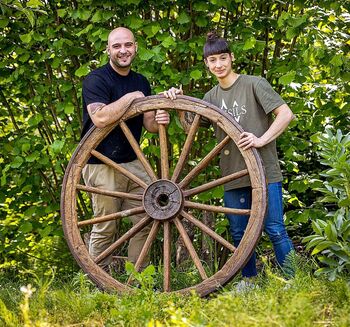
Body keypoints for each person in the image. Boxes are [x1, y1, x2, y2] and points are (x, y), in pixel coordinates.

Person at [164, 32, 294, 280]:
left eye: (223, 58)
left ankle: (294, 280)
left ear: (231, 57)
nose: (219, 65)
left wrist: (261, 140)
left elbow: (285, 114)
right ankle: (249, 280)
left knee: (275, 229)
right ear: (207, 64)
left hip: (265, 170)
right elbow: (190, 126)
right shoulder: (211, 97)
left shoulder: (254, 84)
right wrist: (178, 101)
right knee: (239, 234)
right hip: (232, 174)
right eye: (212, 61)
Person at [81, 27, 169, 271]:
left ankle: (136, 280)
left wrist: (160, 117)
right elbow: (99, 118)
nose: (123, 51)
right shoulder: (96, 80)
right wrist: (131, 97)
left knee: (147, 218)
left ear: (136, 47)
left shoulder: (141, 81)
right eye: (117, 46)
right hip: (101, 164)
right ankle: (98, 281)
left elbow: (149, 124)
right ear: (108, 49)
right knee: (106, 226)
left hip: (132, 162)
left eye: (128, 45)